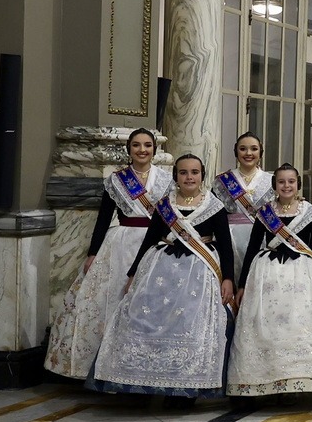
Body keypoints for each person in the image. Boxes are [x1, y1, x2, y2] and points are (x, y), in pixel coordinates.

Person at [89, 153, 232, 398]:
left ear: (202, 176)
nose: (189, 177)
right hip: (161, 270)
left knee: (190, 323)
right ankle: (142, 384)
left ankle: (185, 390)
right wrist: (133, 274)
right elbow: (149, 239)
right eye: (183, 172)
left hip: (199, 272)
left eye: (194, 172)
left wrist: (228, 278)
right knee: (146, 320)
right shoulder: (164, 205)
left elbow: (226, 246)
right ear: (176, 176)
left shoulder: (214, 206)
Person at [47, 128, 172, 380]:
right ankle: (104, 366)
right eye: (136, 145)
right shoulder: (116, 180)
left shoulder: (166, 179)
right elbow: (103, 219)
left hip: (155, 244)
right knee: (113, 299)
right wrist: (93, 253)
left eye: (147, 145)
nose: (142, 150)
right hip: (121, 244)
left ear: (154, 149)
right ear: (129, 149)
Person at [230, 164, 312, 397]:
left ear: (298, 185)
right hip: (267, 275)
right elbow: (252, 248)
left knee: (299, 326)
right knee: (269, 327)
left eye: (291, 181)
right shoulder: (265, 213)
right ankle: (266, 379)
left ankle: (296, 381)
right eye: (281, 182)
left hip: (303, 276)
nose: (286, 186)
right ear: (274, 186)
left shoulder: (309, 212)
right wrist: (242, 285)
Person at [214, 131, 273, 270]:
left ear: (260, 152)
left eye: (254, 149)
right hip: (230, 240)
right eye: (243, 149)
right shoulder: (221, 181)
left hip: (262, 239)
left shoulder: (272, 180)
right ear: (236, 152)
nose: (248, 153)